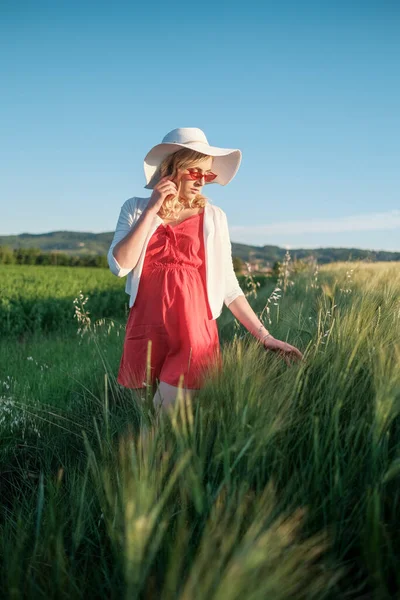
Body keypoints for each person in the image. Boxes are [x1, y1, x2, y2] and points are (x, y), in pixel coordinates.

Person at [107, 127, 303, 412]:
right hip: (144, 330)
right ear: (172, 169)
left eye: (207, 174)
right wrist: (153, 210)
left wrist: (265, 336)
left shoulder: (214, 217)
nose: (202, 181)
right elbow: (119, 266)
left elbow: (229, 286)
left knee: (164, 421)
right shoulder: (136, 209)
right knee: (146, 427)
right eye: (195, 172)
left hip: (193, 334)